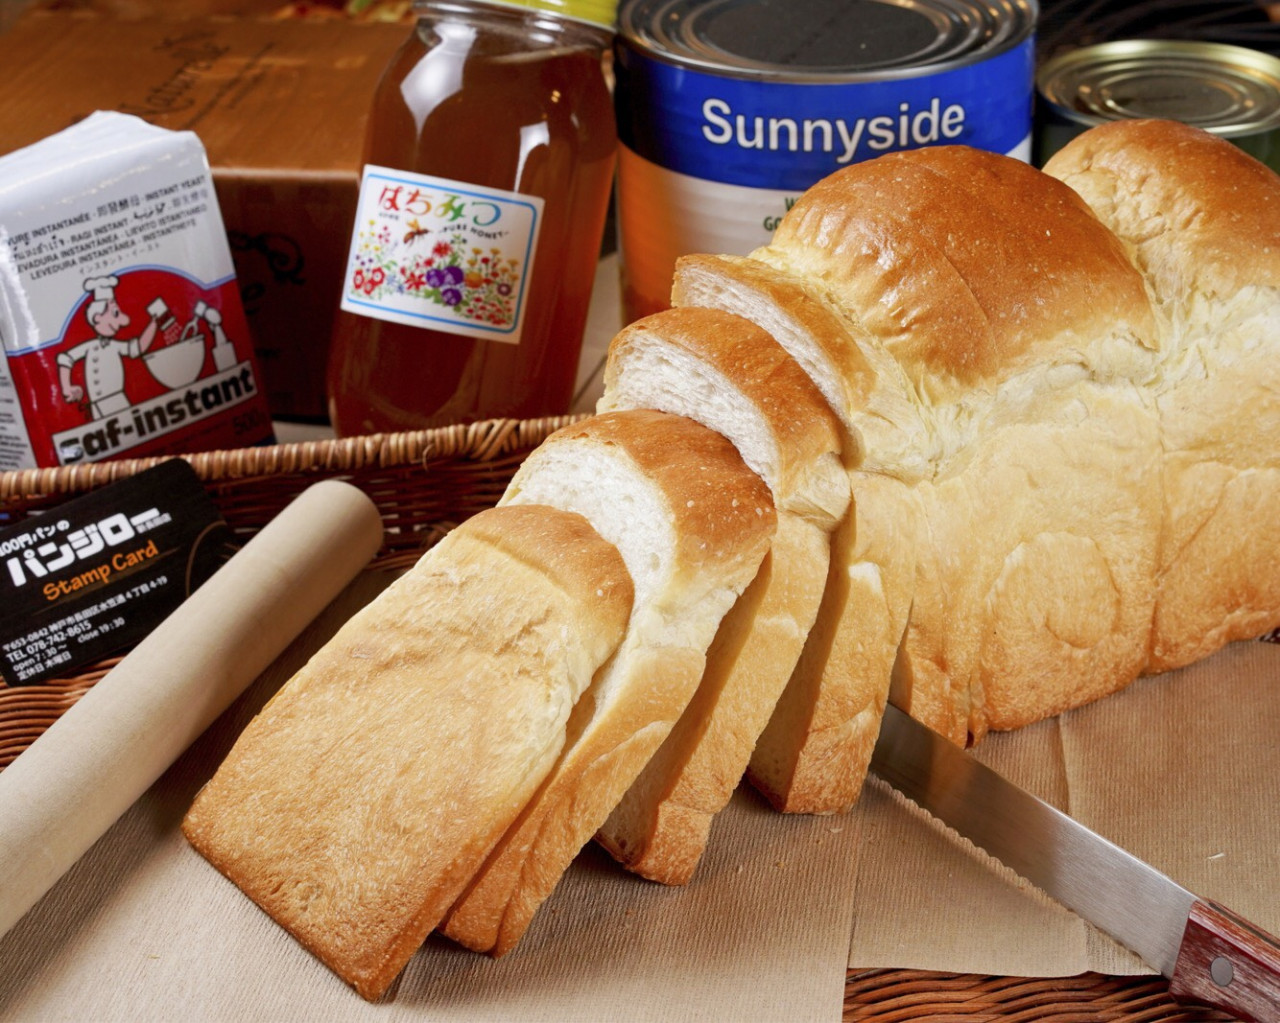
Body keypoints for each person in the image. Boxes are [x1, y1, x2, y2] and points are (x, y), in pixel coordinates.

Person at [58, 276, 160, 419]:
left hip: (116, 401)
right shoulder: (89, 347)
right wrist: (66, 387)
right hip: (95, 406)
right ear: (97, 317)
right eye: (115, 313)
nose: (124, 321)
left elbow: (138, 347)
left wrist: (154, 323)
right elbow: (65, 359)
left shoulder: (115, 346)